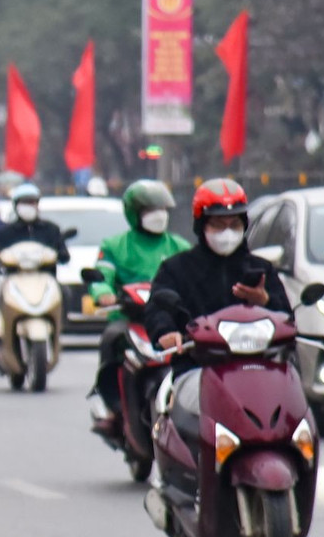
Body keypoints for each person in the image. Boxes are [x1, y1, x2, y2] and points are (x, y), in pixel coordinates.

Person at [145, 180, 292, 479]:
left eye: (233, 223)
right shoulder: (176, 269)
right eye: (218, 224)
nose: (227, 232)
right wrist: (166, 333)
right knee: (189, 420)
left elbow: (286, 318)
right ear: (202, 225)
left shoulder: (260, 270)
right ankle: (190, 477)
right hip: (198, 369)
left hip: (259, 370)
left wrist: (265, 300)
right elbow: (158, 307)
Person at [87, 180, 189, 427]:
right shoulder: (114, 246)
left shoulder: (179, 246)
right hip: (128, 317)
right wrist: (103, 293)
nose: (159, 215)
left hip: (169, 318)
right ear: (135, 214)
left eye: (163, 209)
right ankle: (108, 402)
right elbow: (102, 275)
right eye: (151, 210)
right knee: (111, 337)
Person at [0, 182, 71, 261]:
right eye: (24, 202)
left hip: (45, 271)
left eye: (32, 202)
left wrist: (61, 254)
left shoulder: (51, 229)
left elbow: (62, 253)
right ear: (16, 206)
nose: (28, 206)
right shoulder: (6, 232)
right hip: (15, 272)